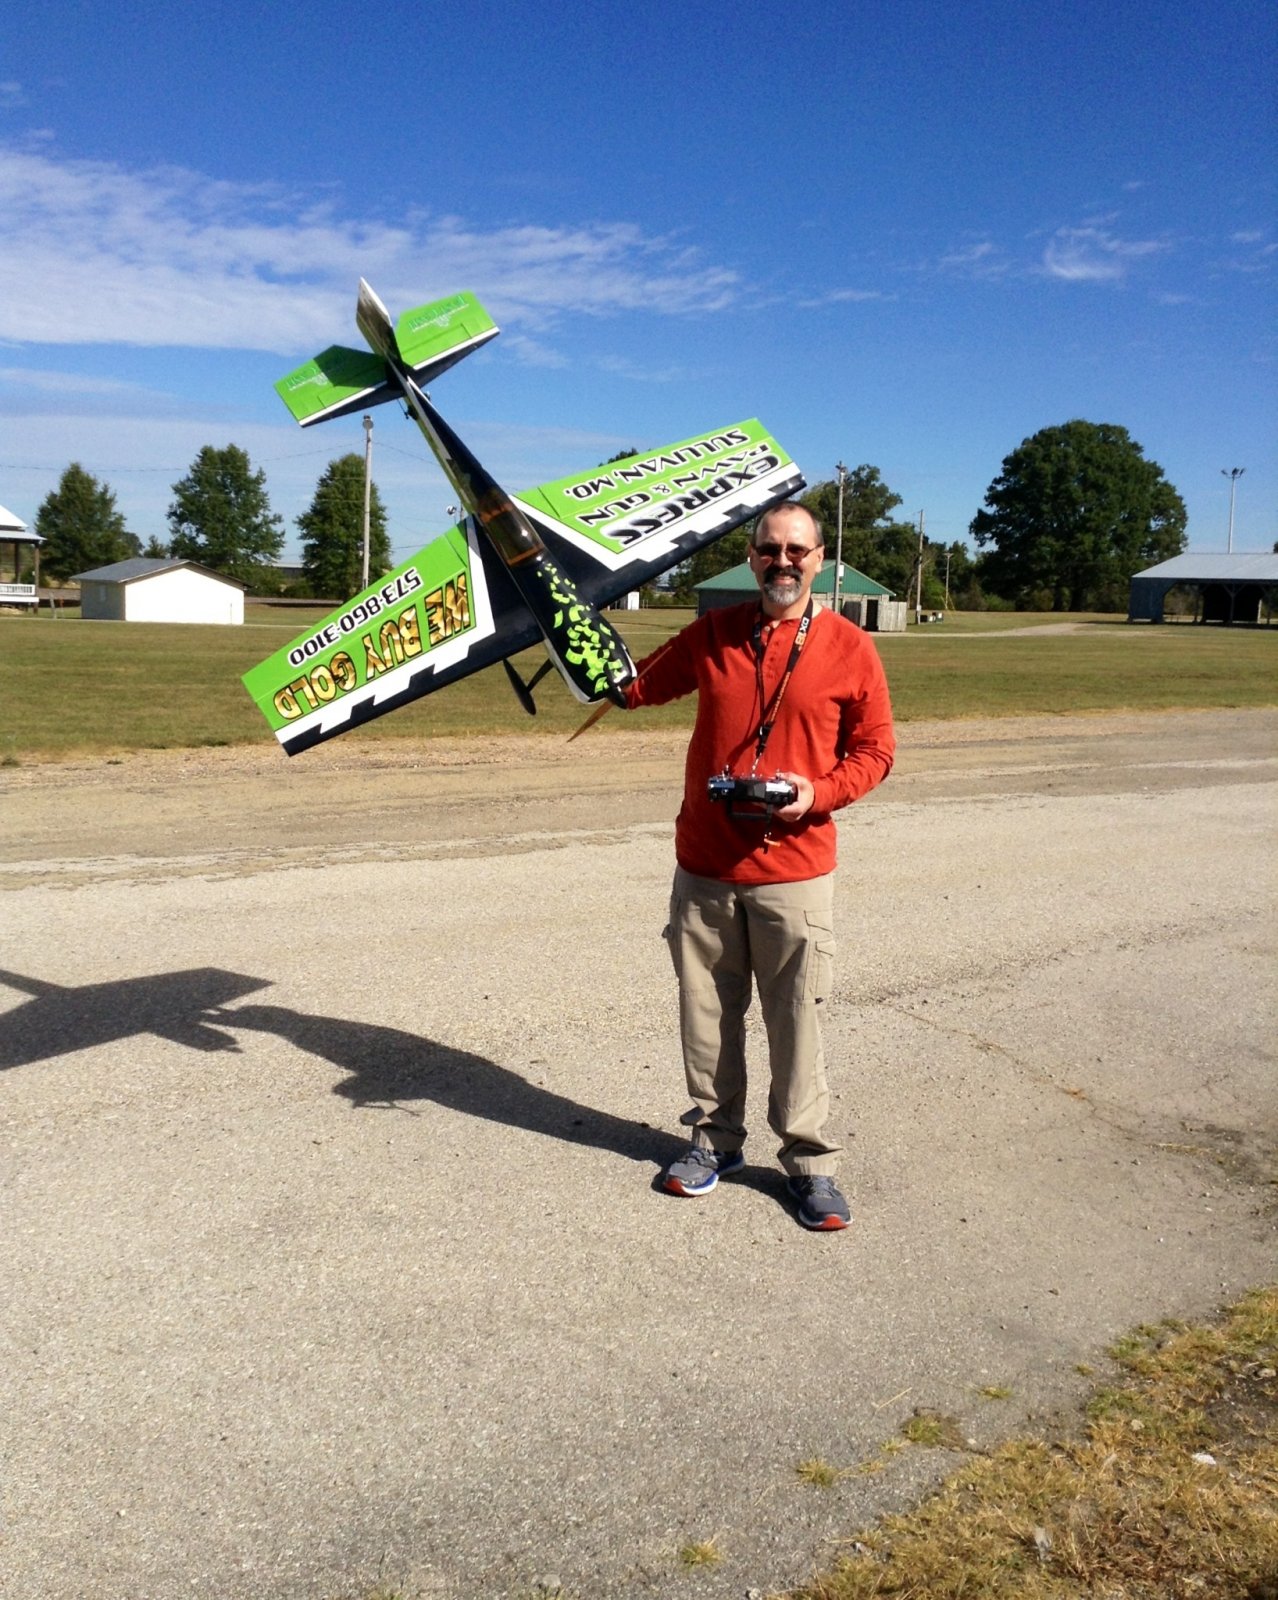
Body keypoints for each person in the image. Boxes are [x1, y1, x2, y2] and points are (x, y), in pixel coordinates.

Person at [625, 502, 895, 1230]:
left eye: (796, 550)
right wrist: (563, 626)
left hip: (794, 870)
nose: (783, 562)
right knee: (707, 1016)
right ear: (751, 558)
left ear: (820, 559)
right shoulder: (713, 634)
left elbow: (876, 751)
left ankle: (809, 1164)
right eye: (770, 549)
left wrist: (817, 793)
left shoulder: (850, 647)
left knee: (795, 1021)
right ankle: (715, 1143)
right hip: (706, 868)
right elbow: (632, 686)